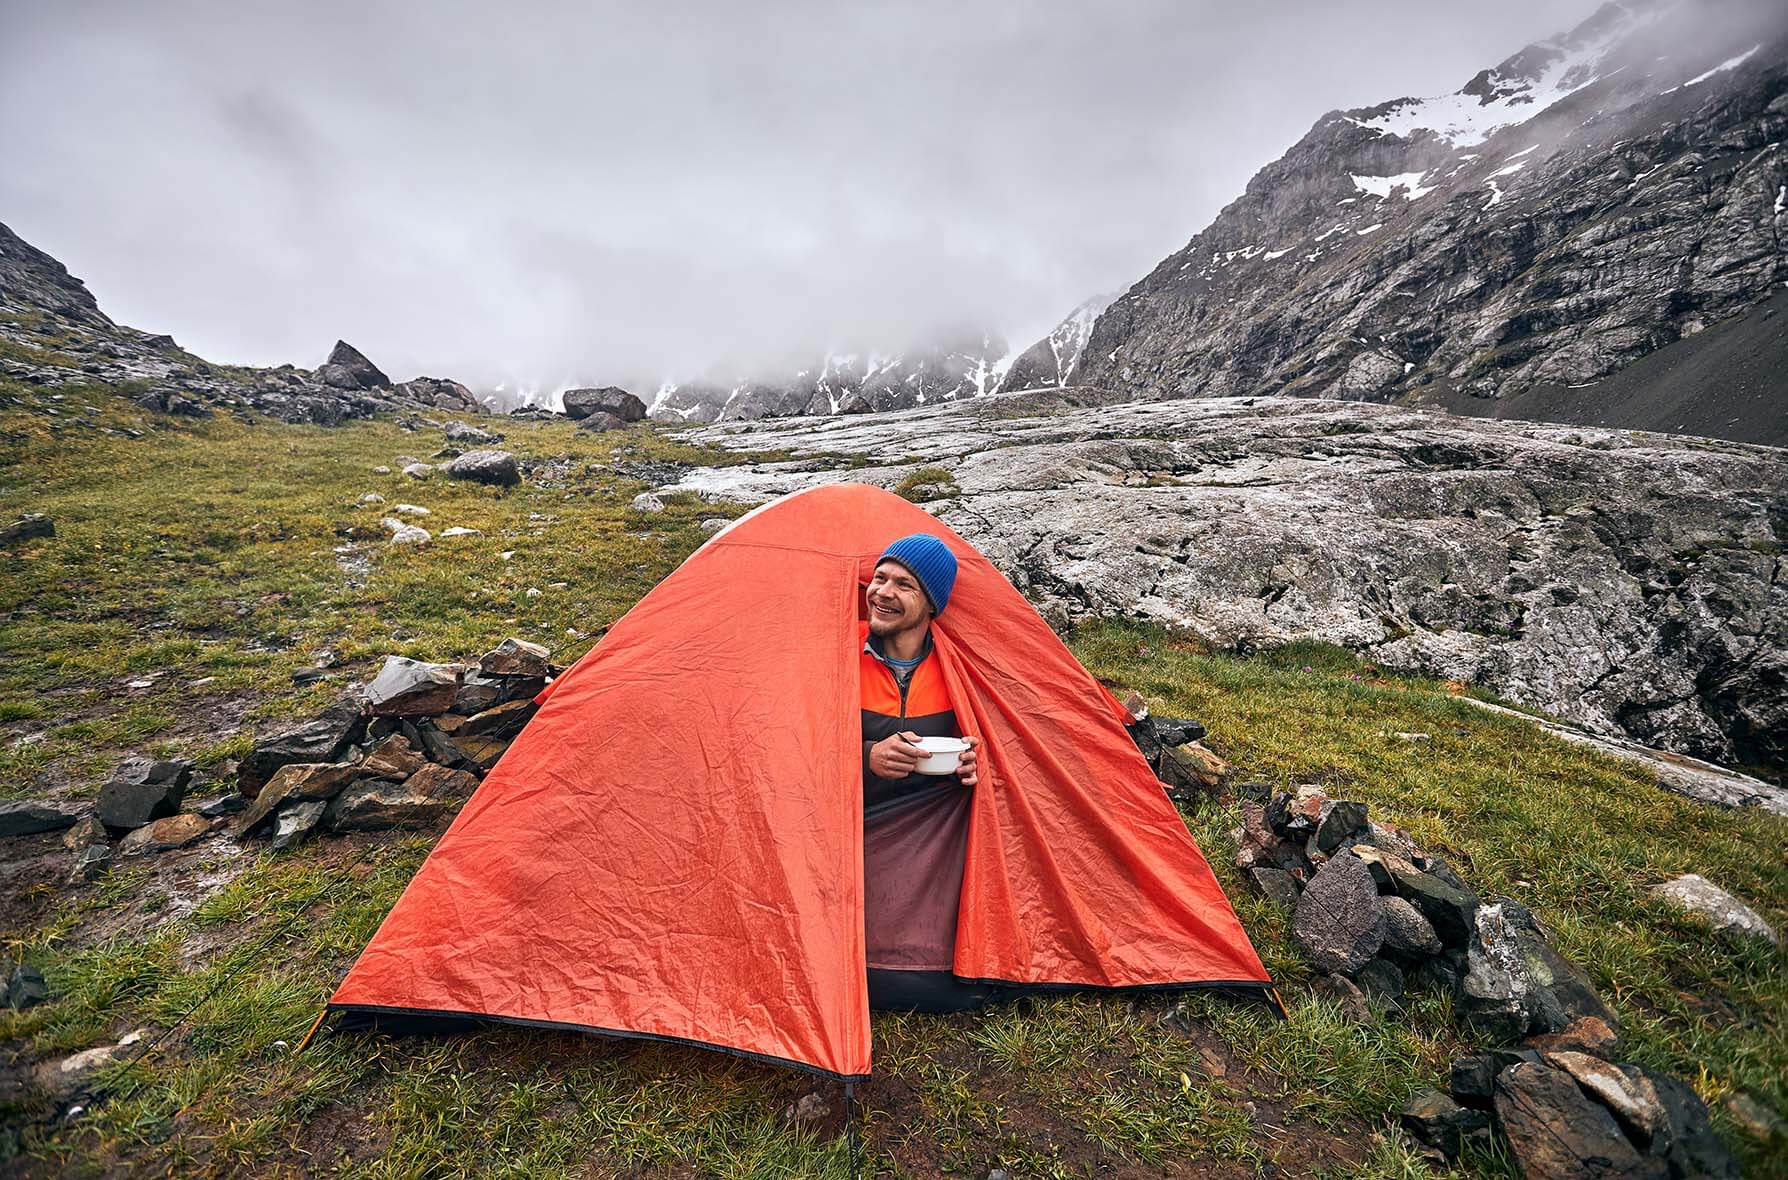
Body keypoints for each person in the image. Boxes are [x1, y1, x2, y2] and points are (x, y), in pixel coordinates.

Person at [860, 533, 998, 1012]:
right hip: (850, 822)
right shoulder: (839, 659)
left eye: (903, 585)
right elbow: (795, 746)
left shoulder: (955, 668)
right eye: (878, 578)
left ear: (932, 605)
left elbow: (988, 742)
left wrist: (968, 762)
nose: (882, 593)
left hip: (928, 828)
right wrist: (868, 756)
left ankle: (949, 960)